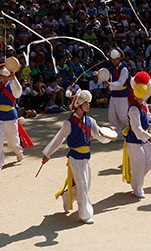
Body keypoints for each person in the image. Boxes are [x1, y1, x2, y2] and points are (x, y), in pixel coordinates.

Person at [41, 90, 113, 224]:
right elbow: (58, 140)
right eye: (86, 103)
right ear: (79, 104)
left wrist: (109, 134)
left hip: (87, 157)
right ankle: (85, 214)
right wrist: (47, 154)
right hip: (75, 157)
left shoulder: (90, 121)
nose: (89, 105)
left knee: (86, 184)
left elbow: (99, 135)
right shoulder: (69, 123)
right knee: (83, 185)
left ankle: (66, 197)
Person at [122, 71, 151, 198]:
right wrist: (150, 136)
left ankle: (136, 181)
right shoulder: (133, 109)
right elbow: (136, 128)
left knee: (149, 162)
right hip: (134, 139)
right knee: (139, 164)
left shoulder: (143, 105)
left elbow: (146, 116)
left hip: (143, 138)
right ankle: (137, 189)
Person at [0, 64, 30, 172]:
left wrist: (14, 78)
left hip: (11, 116)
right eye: (2, 76)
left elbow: (18, 93)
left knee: (13, 140)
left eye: (6, 76)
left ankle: (18, 151)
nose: (4, 78)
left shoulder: (12, 84)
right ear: (0, 76)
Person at [103, 49, 130, 138]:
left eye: (116, 59)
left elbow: (120, 83)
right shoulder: (113, 68)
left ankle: (136, 128)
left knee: (123, 117)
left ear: (119, 59)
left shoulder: (124, 69)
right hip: (114, 94)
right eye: (112, 59)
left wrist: (109, 84)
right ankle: (117, 135)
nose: (114, 61)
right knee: (112, 116)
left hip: (122, 94)